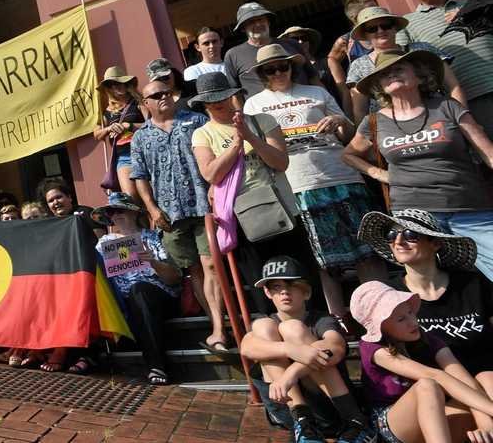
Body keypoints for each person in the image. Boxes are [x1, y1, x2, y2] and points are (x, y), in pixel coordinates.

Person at [242, 44, 385, 321]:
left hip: (340, 174)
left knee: (367, 251)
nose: (278, 72)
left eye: (282, 66)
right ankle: (339, 319)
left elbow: (349, 134)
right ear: (262, 73)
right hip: (297, 183)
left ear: (291, 67)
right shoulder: (254, 103)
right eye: (270, 69)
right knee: (323, 260)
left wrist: (337, 120)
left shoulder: (317, 92)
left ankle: (379, 309)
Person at [342, 49, 493, 280]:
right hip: (414, 216)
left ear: (420, 77)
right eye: (385, 74)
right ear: (380, 86)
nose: (392, 75)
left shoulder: (447, 107)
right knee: (431, 285)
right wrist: (378, 173)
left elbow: (488, 153)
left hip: (469, 208)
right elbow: (349, 154)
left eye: (399, 69)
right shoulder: (373, 121)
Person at [189, 72, 314, 315]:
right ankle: (276, 339)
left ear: (232, 96)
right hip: (244, 220)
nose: (217, 103)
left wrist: (250, 137)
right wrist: (236, 145)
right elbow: (211, 174)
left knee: (299, 277)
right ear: (203, 104)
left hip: (284, 212)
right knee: (262, 288)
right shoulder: (202, 134)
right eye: (210, 100)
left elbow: (280, 162)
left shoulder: (263, 121)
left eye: (222, 96)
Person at [129, 78, 226, 354]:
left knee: (210, 266)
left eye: (168, 92)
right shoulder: (141, 137)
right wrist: (151, 208)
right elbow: (139, 176)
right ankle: (215, 323)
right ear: (145, 103)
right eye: (156, 95)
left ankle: (220, 329)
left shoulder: (196, 121)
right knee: (193, 270)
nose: (164, 97)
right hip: (169, 215)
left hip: (203, 205)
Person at [239, 256, 374, 443]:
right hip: (286, 407)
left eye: (292, 285)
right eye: (276, 287)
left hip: (330, 407)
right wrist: (289, 350)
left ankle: (356, 421)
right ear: (268, 293)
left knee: (292, 328)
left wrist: (292, 372)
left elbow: (336, 346)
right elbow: (246, 348)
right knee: (263, 327)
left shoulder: (321, 319)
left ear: (307, 292)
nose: (285, 292)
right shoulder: (266, 324)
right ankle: (302, 421)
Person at [351, 280, 493, 443]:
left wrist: (485, 421)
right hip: (393, 426)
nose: (413, 321)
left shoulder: (428, 339)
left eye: (411, 312)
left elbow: (460, 376)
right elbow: (433, 375)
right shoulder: (373, 348)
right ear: (381, 327)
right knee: (428, 385)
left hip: (433, 418)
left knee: (486, 377)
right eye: (401, 319)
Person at [359, 209, 493, 373]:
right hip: (433, 386)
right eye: (391, 234)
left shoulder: (472, 284)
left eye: (410, 234)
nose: (399, 241)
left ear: (435, 243)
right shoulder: (387, 295)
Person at [96, 192, 182, 386]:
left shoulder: (153, 237)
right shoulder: (104, 244)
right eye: (111, 212)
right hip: (122, 301)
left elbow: (174, 278)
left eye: (121, 210)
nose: (116, 215)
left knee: (139, 290)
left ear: (134, 213)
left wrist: (153, 262)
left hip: (155, 295)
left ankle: (156, 364)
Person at [397, 0, 493, 134]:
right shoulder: (407, 24)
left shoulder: (472, 3)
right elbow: (398, 59)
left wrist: (468, 13)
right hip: (469, 97)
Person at [343, 6, 463, 123]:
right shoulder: (358, 65)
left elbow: (453, 86)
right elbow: (360, 110)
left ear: (395, 28)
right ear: (365, 35)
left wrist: (462, 118)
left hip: (438, 118)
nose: (380, 31)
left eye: (385, 26)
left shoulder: (422, 49)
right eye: (372, 29)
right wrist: (370, 138)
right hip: (391, 131)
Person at [223, 0, 312, 96]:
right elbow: (235, 94)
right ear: (243, 28)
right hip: (259, 110)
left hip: (304, 105)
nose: (258, 24)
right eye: (251, 22)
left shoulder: (292, 44)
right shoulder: (233, 55)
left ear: (268, 22)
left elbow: (313, 76)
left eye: (261, 19)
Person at [94, 66, 146, 199]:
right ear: (108, 89)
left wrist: (129, 126)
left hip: (143, 151)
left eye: (119, 83)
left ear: (126, 83)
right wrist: (109, 128)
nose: (116, 87)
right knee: (131, 197)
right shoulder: (107, 111)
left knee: (149, 194)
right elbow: (96, 134)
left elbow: (152, 125)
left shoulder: (139, 102)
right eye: (111, 85)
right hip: (123, 156)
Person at [327, 0, 378, 113]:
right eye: (371, 9)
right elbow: (332, 58)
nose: (377, 12)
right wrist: (342, 87)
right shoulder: (346, 41)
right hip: (367, 98)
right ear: (355, 17)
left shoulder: (387, 30)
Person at [278, 26, 339, 100]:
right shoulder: (287, 70)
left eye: (304, 38)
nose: (300, 42)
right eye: (294, 39)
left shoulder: (328, 62)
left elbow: (343, 91)